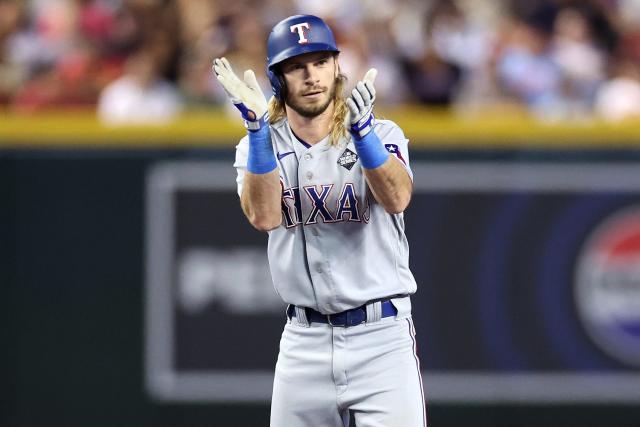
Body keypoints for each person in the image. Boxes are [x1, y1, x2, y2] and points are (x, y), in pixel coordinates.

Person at [213, 14, 426, 427]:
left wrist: (364, 136)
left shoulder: (380, 132)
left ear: (336, 67)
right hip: (304, 340)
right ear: (278, 79)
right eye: (296, 66)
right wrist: (257, 133)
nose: (311, 76)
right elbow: (264, 216)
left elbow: (397, 198)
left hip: (381, 337)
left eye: (320, 62)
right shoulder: (258, 145)